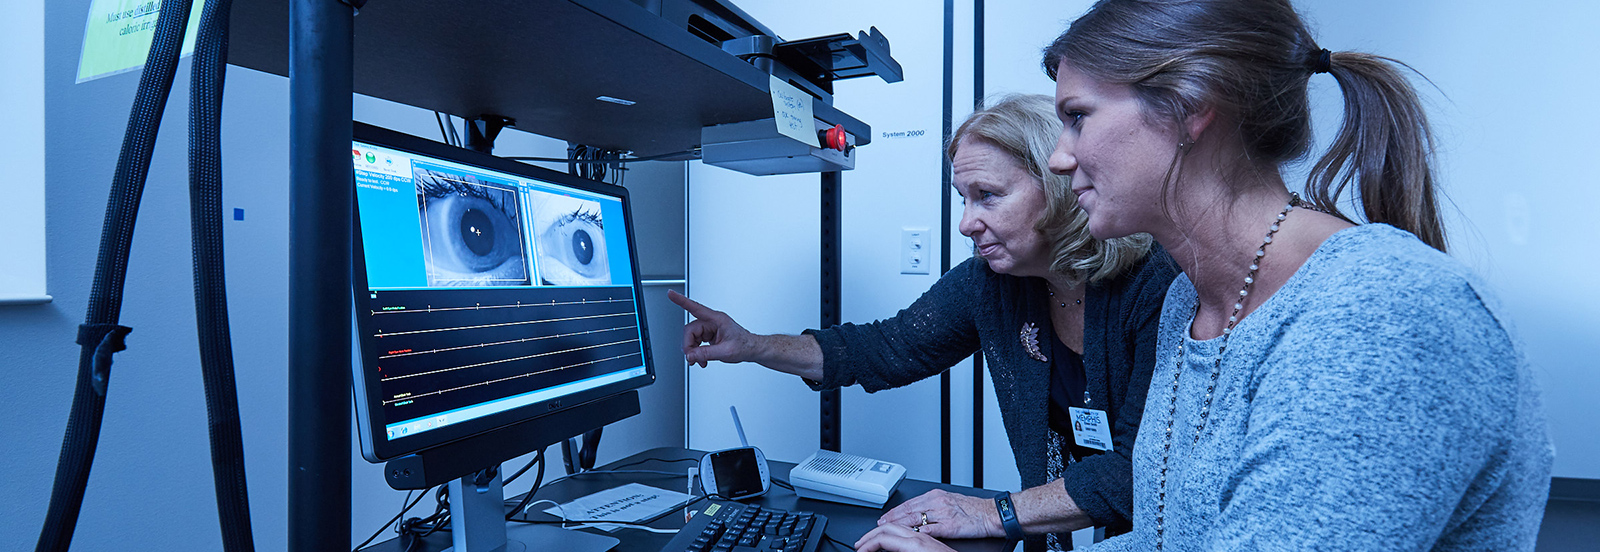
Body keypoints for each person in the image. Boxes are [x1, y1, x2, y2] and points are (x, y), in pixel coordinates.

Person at [856, 1, 1554, 551]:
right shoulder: (1191, 301)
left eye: (1076, 118)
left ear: (1191, 106)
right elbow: (1170, 541)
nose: (1061, 160)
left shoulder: (1378, 317)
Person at [670, 94, 1179, 551]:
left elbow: (1137, 475)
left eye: (988, 195)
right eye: (964, 198)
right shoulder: (991, 284)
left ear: (1058, 186)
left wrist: (992, 513)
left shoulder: (1154, 286)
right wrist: (752, 345)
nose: (966, 222)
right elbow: (883, 348)